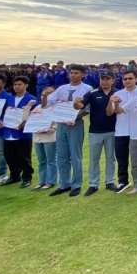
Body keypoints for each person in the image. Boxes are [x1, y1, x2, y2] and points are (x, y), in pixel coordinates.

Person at [44, 64, 93, 197]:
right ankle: (64, 184)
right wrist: (44, 96)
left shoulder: (87, 89)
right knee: (61, 155)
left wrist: (74, 117)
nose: (73, 75)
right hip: (61, 124)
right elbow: (47, 104)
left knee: (75, 155)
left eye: (76, 73)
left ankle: (76, 184)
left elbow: (87, 109)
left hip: (75, 124)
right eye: (71, 73)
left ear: (83, 75)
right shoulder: (62, 88)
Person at [75, 70, 118, 196]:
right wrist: (76, 103)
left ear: (113, 80)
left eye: (107, 79)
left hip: (112, 130)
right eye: (102, 79)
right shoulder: (92, 93)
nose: (104, 81)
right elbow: (81, 105)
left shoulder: (117, 93)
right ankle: (93, 184)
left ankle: (110, 181)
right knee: (94, 159)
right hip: (95, 131)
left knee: (111, 158)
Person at [0, 75, 37, 188]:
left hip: (22, 133)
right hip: (8, 131)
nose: (17, 87)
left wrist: (25, 123)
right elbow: (4, 113)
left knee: (24, 157)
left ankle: (27, 177)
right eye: (15, 85)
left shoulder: (32, 99)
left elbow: (36, 115)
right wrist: (0, 121)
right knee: (10, 156)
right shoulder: (10, 98)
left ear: (26, 85)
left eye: (20, 84)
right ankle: (14, 176)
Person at [110, 70, 137, 193]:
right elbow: (116, 111)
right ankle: (123, 181)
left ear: (136, 79)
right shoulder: (118, 94)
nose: (127, 81)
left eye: (130, 78)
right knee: (122, 158)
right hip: (121, 130)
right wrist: (116, 104)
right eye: (125, 79)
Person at [30, 89, 57, 190]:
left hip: (49, 138)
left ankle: (51, 181)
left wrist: (47, 129)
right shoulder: (37, 107)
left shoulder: (55, 108)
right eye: (42, 95)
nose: (43, 97)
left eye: (47, 95)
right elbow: (30, 121)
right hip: (37, 138)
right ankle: (42, 181)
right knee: (41, 161)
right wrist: (28, 106)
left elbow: (57, 124)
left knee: (51, 160)